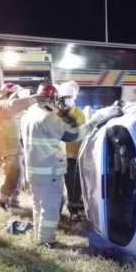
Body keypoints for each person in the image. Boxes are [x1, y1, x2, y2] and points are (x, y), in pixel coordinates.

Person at [20, 83, 96, 248]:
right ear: (51, 99)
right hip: (49, 171)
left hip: (33, 170)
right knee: (50, 207)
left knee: (38, 204)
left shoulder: (28, 114)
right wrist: (91, 125)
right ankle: (48, 241)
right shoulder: (49, 117)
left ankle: (39, 236)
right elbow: (71, 135)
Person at [0, 83, 37, 210]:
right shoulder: (3, 104)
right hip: (6, 146)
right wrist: (38, 97)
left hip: (15, 146)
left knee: (19, 174)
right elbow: (15, 104)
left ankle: (13, 200)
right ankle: (1, 201)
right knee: (12, 174)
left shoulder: (18, 110)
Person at [56, 81, 87, 217]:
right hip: (58, 153)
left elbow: (78, 126)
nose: (66, 101)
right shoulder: (55, 113)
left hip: (74, 153)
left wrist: (66, 114)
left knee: (73, 179)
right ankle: (66, 205)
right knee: (59, 183)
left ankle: (74, 203)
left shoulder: (79, 114)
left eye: (69, 98)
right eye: (64, 98)